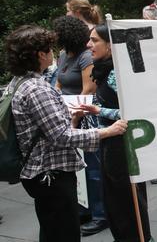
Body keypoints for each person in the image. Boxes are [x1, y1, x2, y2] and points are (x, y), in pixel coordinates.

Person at [6, 25, 127, 242]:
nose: (53, 53)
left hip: (39, 173)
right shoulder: (37, 89)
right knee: (64, 232)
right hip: (52, 175)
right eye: (49, 49)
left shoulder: (19, 83)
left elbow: (48, 130)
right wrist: (106, 131)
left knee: (52, 229)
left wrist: (70, 119)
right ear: (41, 55)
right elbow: (62, 136)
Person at [78, 25, 153, 241]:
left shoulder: (114, 74)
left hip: (121, 146)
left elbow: (132, 111)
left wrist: (100, 111)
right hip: (110, 142)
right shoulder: (103, 69)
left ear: (110, 46)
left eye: (94, 40)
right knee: (115, 200)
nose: (88, 45)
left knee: (126, 201)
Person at [52, 16, 110, 236]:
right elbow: (58, 83)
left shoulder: (86, 58)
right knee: (78, 168)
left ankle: (100, 214)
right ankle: (84, 209)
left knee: (93, 168)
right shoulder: (64, 56)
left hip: (84, 115)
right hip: (68, 114)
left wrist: (73, 113)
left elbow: (88, 90)